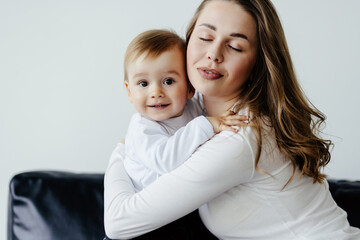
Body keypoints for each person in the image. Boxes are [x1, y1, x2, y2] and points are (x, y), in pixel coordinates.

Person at [104, 0, 360, 239]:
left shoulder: (240, 135)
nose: (214, 54)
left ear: (258, 63)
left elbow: (119, 223)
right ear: (188, 40)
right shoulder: (199, 112)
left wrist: (123, 150)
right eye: (205, 37)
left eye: (235, 46)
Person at [122, 29, 247, 192]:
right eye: (144, 84)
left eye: (168, 81)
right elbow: (166, 160)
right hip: (153, 205)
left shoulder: (192, 107)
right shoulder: (141, 129)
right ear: (129, 91)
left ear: (190, 87)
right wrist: (208, 125)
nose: (156, 93)